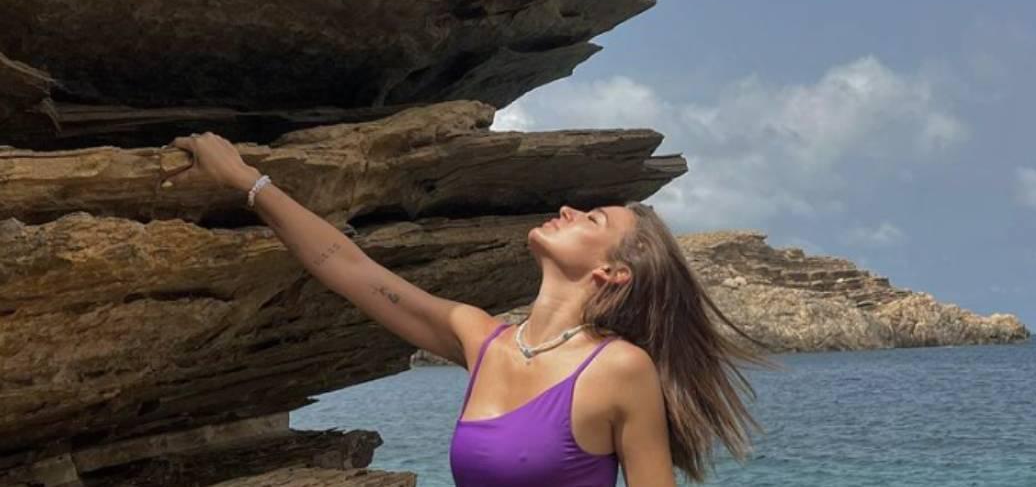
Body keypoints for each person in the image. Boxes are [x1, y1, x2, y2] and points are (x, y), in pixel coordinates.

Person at [168, 131, 778, 486]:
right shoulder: (479, 339)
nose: (568, 209)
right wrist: (248, 182)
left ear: (613, 271)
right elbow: (345, 266)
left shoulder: (620, 371)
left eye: (592, 219)